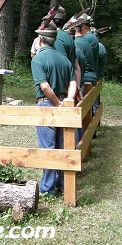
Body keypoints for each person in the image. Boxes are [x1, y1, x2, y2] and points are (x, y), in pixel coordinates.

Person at [31, 22, 77, 195]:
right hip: (64, 102)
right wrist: (68, 100)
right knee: (62, 146)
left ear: (40, 39)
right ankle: (63, 184)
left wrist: (57, 105)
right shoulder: (64, 59)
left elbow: (44, 86)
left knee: (48, 147)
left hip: (47, 105)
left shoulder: (38, 59)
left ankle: (47, 188)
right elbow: (73, 82)